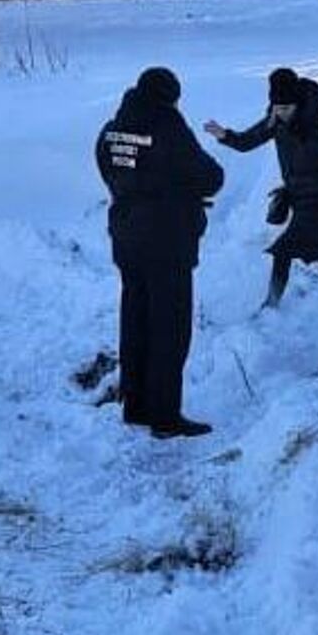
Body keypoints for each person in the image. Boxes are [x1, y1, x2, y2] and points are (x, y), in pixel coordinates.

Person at [95, 67, 224, 439]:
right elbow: (209, 176)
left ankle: (135, 405)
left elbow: (105, 165)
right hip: (167, 239)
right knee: (169, 327)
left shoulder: (112, 128)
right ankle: (165, 415)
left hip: (126, 235)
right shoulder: (167, 126)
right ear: (169, 98)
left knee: (134, 319)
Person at [204, 67, 318, 307]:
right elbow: (247, 141)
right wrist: (224, 135)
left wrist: (293, 133)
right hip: (302, 198)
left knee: (284, 249)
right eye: (276, 108)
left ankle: (271, 305)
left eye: (285, 108)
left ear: (298, 103)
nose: (280, 113)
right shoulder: (277, 120)